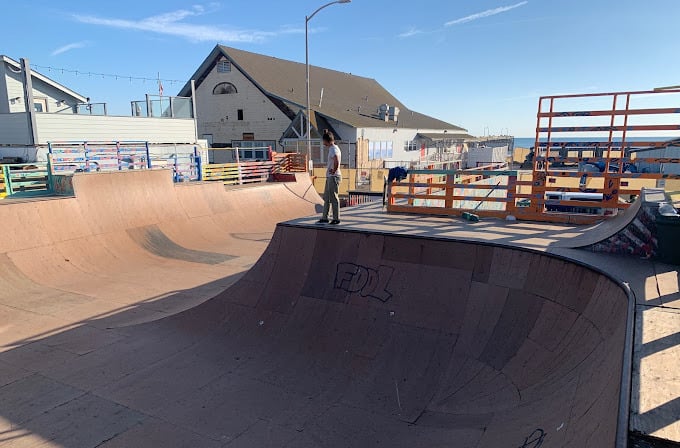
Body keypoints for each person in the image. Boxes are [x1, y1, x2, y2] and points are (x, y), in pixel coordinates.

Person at [317, 129, 342, 225]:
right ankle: (325, 217)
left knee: (334, 197)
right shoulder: (332, 148)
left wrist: (334, 170)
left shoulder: (334, 149)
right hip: (330, 177)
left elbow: (336, 160)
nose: (323, 143)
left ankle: (336, 218)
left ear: (327, 141)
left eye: (323, 141)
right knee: (326, 197)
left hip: (334, 177)